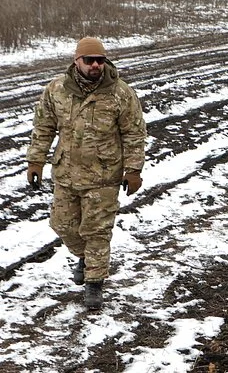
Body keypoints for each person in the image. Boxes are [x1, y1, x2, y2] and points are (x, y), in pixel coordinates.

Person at [26, 37, 147, 310]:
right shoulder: (56, 90)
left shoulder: (120, 93)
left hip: (103, 174)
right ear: (76, 60)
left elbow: (134, 133)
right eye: (89, 60)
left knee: (97, 230)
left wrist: (134, 169)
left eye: (100, 60)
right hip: (66, 172)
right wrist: (36, 161)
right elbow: (43, 126)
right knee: (63, 224)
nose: (95, 65)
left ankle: (94, 282)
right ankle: (85, 258)